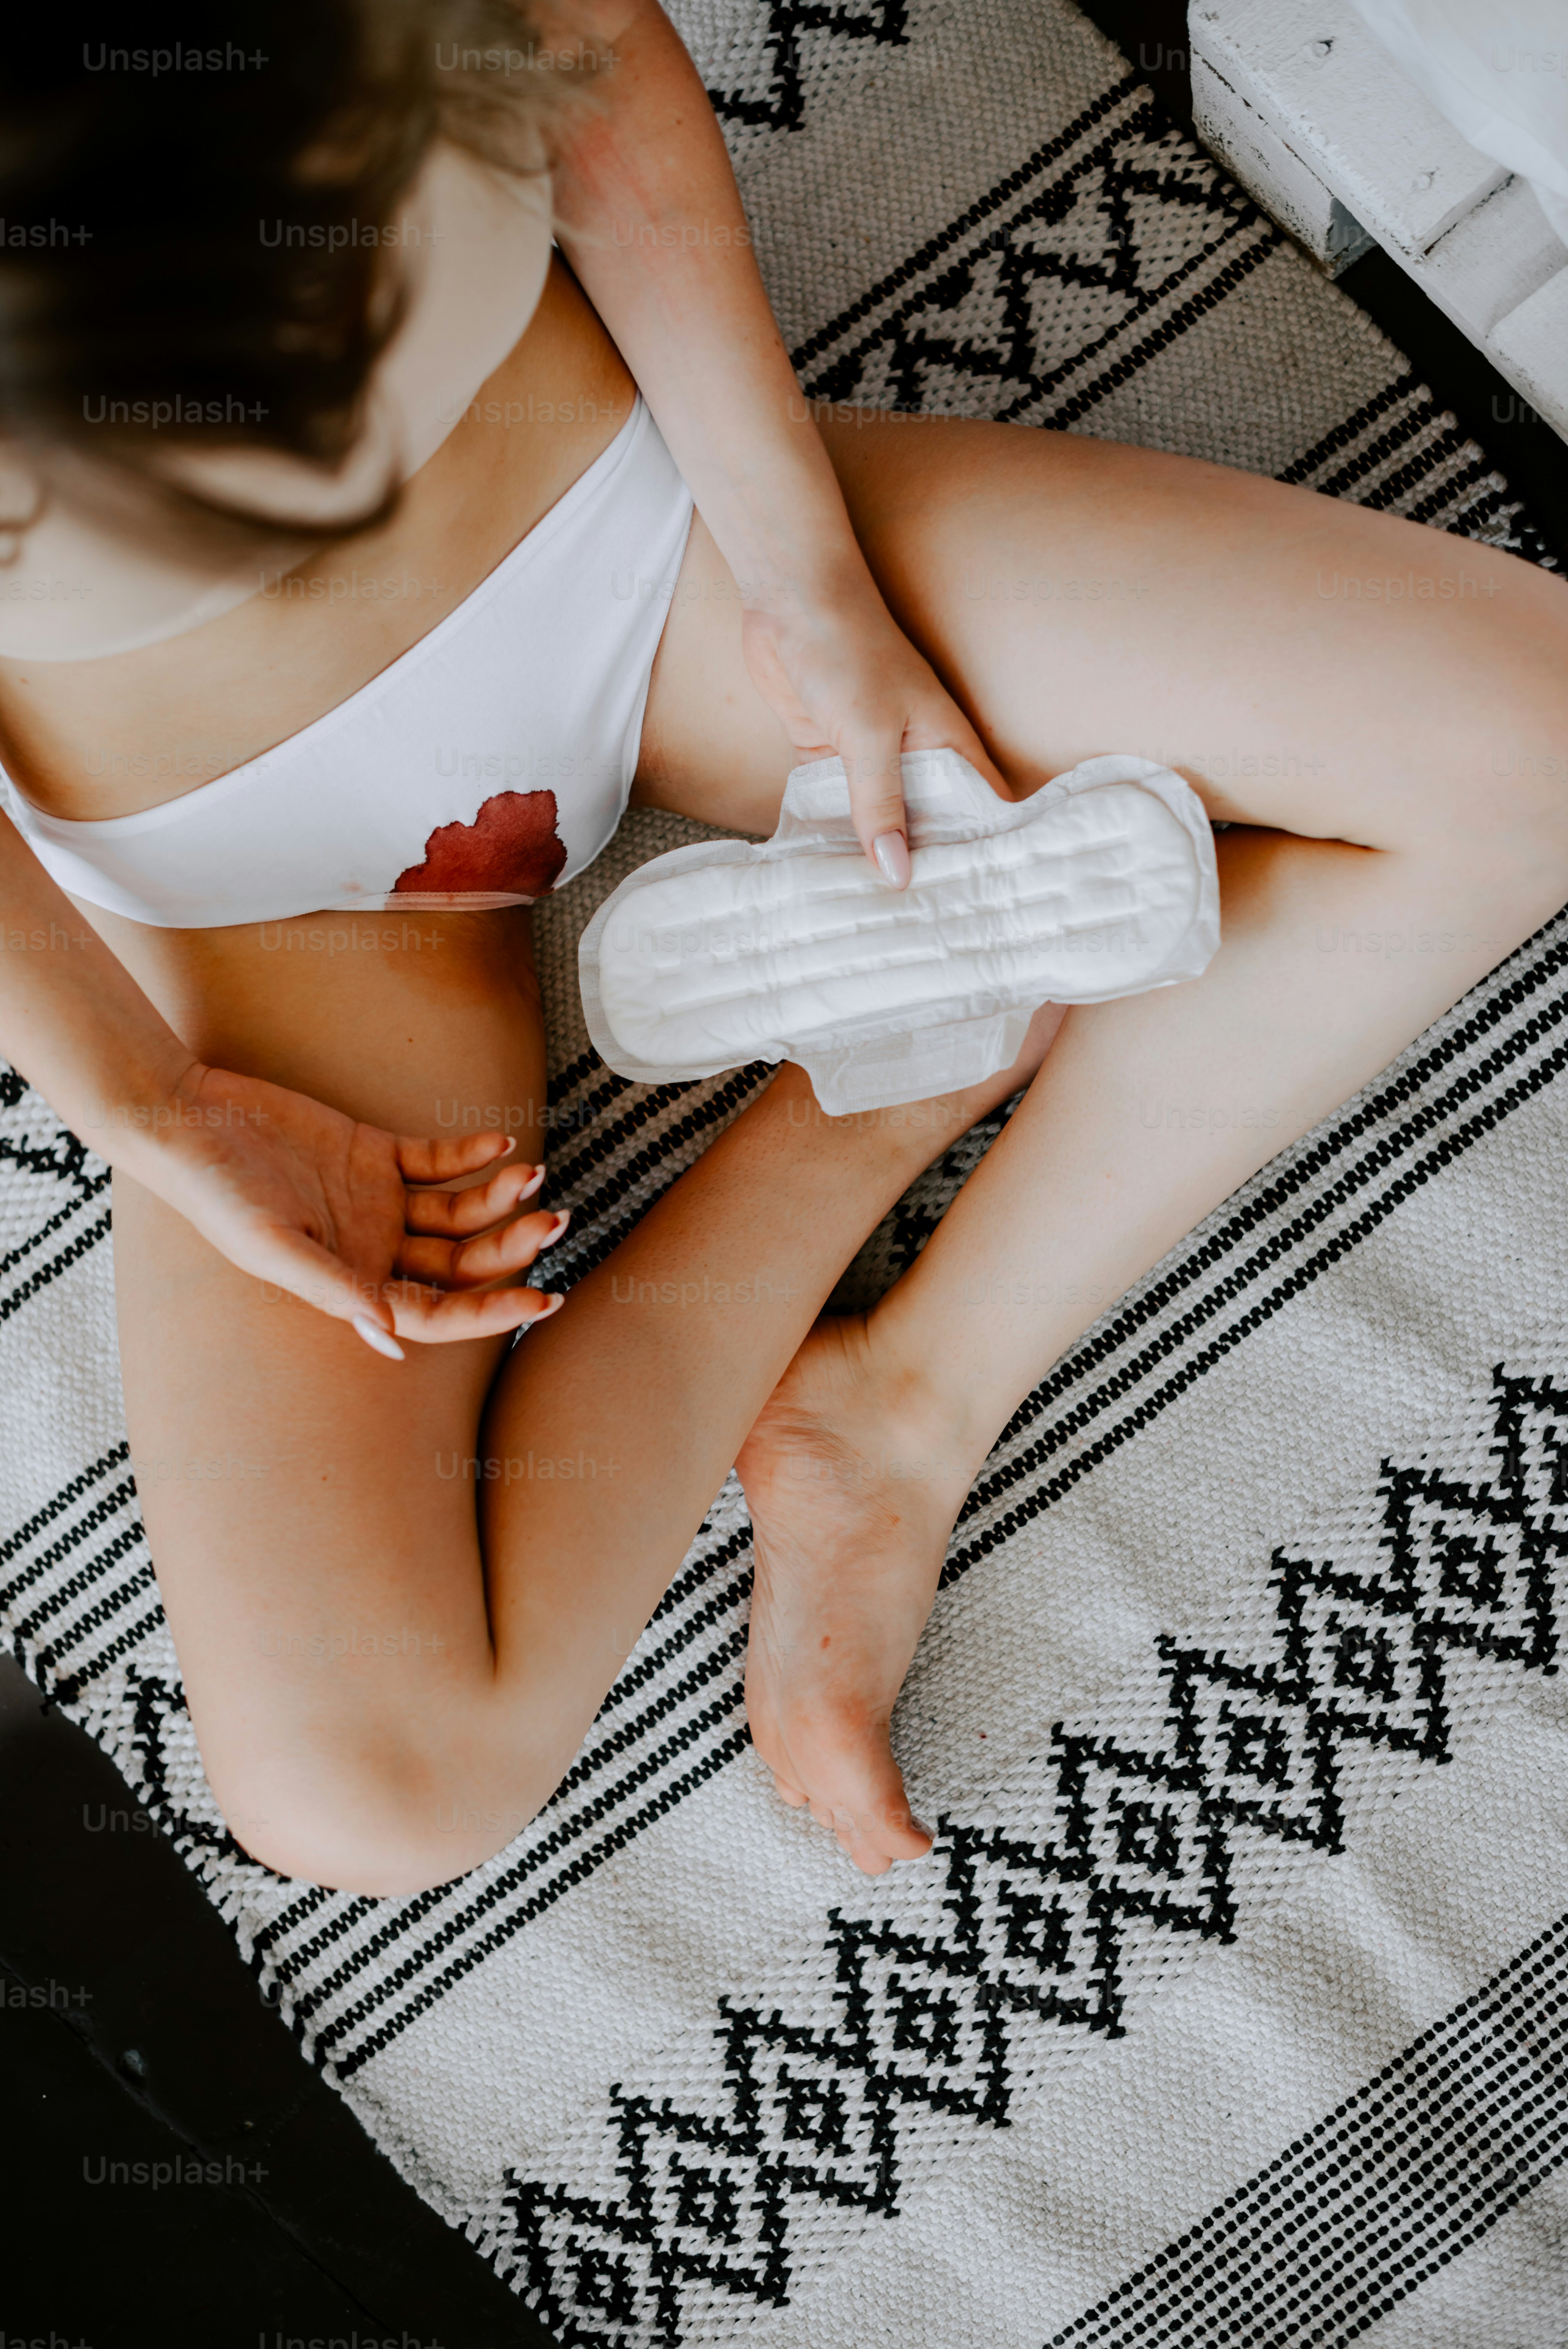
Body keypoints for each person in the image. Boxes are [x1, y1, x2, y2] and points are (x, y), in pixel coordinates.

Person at [0, 2, 1562, 1895]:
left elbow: (592, 62)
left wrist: (809, 584)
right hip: (261, 884)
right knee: (370, 1790)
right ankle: (885, 1100)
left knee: (1527, 743)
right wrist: (151, 1101)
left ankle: (902, 1407)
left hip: (654, 566)